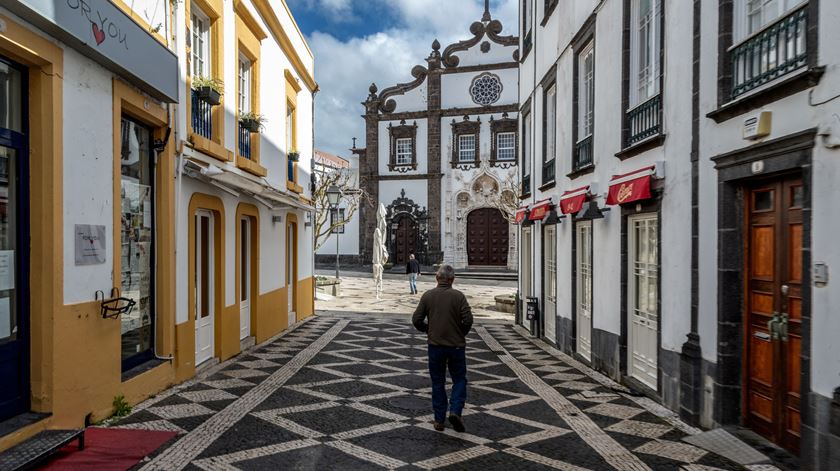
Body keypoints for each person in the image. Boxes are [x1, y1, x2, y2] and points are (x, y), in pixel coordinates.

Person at [411, 265, 473, 432]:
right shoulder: (459, 297)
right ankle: (455, 411)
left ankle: (439, 420)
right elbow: (468, 320)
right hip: (456, 347)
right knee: (459, 379)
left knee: (438, 382)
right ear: (452, 279)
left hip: (435, 346)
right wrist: (460, 334)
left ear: (437, 278)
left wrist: (428, 329)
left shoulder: (428, 296)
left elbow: (416, 319)